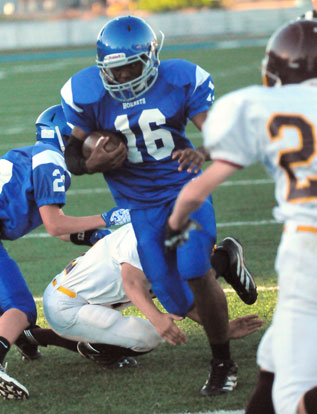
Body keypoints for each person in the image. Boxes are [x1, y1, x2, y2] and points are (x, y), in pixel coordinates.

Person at [61, 15, 258, 396]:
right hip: (141, 206)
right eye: (114, 71)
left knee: (194, 269)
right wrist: (88, 164)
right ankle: (227, 263)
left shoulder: (181, 78)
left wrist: (203, 149)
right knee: (172, 295)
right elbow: (71, 152)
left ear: (152, 58)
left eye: (131, 67)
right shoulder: (85, 91)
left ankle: (222, 363)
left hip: (183, 191)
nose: (122, 78)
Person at [165, 19, 317, 414]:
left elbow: (197, 187)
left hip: (308, 243)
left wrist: (175, 222)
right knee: (274, 355)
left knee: (294, 385)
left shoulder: (260, 105)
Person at [0, 105, 130, 400]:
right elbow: (56, 226)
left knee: (11, 313)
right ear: (66, 133)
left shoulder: (35, 155)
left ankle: (27, 340)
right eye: (86, 137)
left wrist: (96, 237)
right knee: (19, 308)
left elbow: (59, 228)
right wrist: (109, 218)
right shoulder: (50, 160)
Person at [14, 223, 262, 371]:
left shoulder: (168, 230)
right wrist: (156, 318)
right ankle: (80, 344)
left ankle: (32, 336)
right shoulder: (142, 236)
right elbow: (131, 283)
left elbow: (182, 300)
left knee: (183, 283)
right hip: (68, 306)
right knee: (149, 335)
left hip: (87, 298)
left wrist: (220, 330)